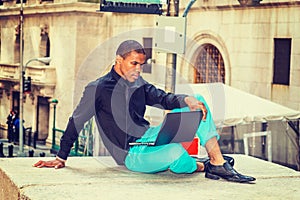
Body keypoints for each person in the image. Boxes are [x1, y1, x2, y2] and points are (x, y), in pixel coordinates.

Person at [33, 40, 255, 183]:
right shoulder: (97, 88)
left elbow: (163, 98)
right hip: (131, 154)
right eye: (133, 63)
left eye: (141, 64)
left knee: (197, 100)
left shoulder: (139, 83)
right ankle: (201, 164)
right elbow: (76, 121)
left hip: (151, 137)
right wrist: (61, 157)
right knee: (177, 154)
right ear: (119, 61)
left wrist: (185, 99)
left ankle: (217, 163)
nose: (138, 69)